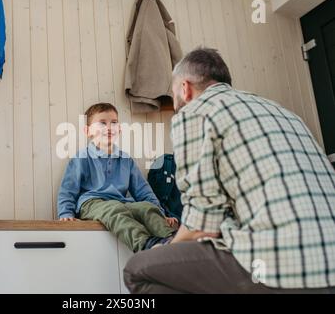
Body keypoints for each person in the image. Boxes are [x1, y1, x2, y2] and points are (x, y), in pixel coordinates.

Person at [124, 48, 335, 294]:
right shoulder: (283, 112)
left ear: (185, 88)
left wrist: (169, 247)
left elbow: (203, 224)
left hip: (285, 265)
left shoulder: (194, 113)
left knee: (138, 270)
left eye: (172, 94)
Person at [57, 103, 178, 252]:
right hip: (92, 203)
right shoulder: (81, 158)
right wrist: (66, 212)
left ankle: (174, 239)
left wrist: (161, 212)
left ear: (119, 129)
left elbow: (143, 191)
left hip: (122, 202)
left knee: (146, 207)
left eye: (114, 123)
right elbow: (68, 189)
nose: (109, 128)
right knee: (114, 210)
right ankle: (146, 243)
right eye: (102, 123)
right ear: (88, 131)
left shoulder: (125, 159)